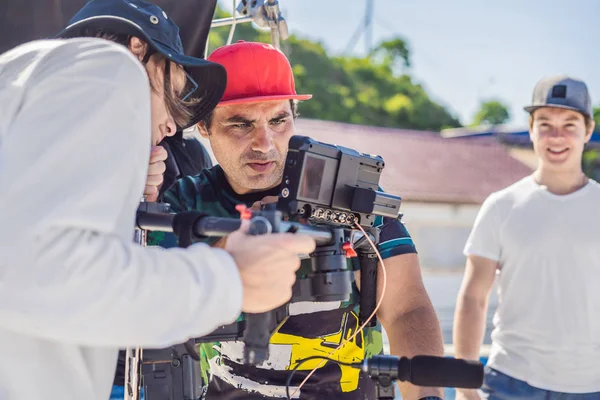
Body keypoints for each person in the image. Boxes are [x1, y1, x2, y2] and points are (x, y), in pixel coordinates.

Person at [0, 1, 316, 399]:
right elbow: (36, 270)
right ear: (137, 50)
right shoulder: (108, 64)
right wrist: (230, 278)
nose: (171, 124)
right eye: (176, 92)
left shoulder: (18, 77)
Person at [157, 40, 445, 400]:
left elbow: (407, 307)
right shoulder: (186, 201)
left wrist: (428, 395)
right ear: (204, 126)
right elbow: (155, 294)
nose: (265, 143)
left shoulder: (344, 190)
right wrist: (236, 246)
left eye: (278, 120)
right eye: (240, 124)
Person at [453, 75, 600, 400]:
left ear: (587, 131)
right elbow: (474, 297)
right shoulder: (501, 206)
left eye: (570, 124)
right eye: (545, 124)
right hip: (510, 382)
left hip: (591, 385)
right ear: (531, 129)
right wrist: (464, 384)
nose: (556, 136)